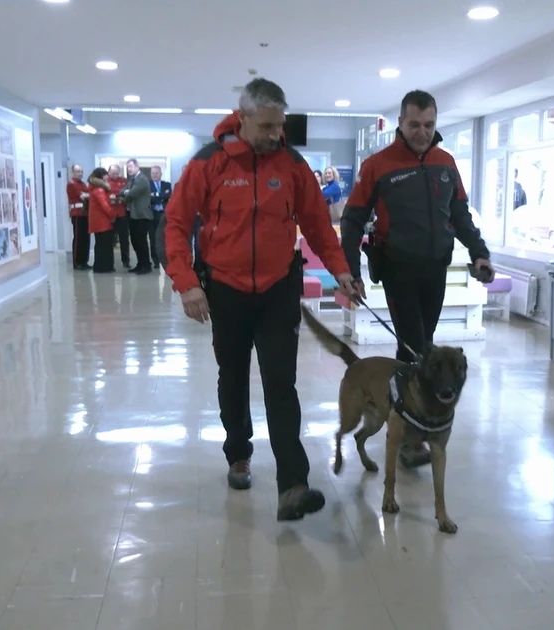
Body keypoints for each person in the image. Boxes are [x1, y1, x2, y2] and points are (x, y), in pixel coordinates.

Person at [165, 78, 357, 522]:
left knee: (280, 384)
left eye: (280, 126)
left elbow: (317, 225)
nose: (275, 135)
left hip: (278, 289)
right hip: (225, 290)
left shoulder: (290, 164)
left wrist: (341, 269)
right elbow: (176, 223)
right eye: (267, 126)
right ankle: (238, 453)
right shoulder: (209, 162)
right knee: (232, 379)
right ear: (243, 116)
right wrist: (187, 282)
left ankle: (293, 484)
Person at [340, 89, 494, 469]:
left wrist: (480, 252)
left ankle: (411, 421)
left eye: (428, 125)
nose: (422, 132)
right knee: (413, 347)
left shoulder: (445, 163)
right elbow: (353, 219)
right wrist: (350, 271)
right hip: (398, 267)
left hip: (435, 267)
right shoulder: (379, 165)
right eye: (414, 125)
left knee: (422, 347)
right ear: (401, 124)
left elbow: (460, 215)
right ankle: (410, 438)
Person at [120, 158, 153, 275]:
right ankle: (140, 264)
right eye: (128, 167)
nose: (129, 169)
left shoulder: (142, 180)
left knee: (141, 241)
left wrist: (126, 192)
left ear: (137, 167)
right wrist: (126, 192)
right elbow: (122, 191)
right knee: (135, 241)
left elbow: (131, 193)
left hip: (141, 215)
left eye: (131, 166)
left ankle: (146, 265)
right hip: (133, 215)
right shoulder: (132, 180)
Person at [87, 167, 116, 273]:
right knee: (105, 245)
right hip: (103, 222)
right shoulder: (99, 190)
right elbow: (105, 206)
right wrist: (113, 215)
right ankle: (105, 267)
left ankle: (100, 266)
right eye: (105, 175)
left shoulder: (95, 189)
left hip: (97, 222)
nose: (107, 177)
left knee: (100, 244)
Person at [66, 164, 91, 270]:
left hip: (85, 213)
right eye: (78, 171)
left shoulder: (83, 184)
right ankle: (77, 262)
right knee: (78, 239)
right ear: (73, 172)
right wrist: (90, 195)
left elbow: (88, 194)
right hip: (77, 213)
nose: (80, 173)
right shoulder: (71, 184)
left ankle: (84, 261)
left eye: (81, 171)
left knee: (86, 238)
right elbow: (83, 196)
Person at [149, 165, 172, 270]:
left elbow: (167, 196)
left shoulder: (167, 184)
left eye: (156, 173)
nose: (155, 175)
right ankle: (156, 261)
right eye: (153, 173)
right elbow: (150, 199)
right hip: (152, 214)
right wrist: (160, 196)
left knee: (165, 237)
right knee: (153, 238)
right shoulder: (147, 185)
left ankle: (167, 259)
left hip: (164, 214)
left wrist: (155, 195)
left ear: (160, 174)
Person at [107, 164, 130, 268]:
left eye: (117, 173)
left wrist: (116, 195)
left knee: (124, 239)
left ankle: (126, 261)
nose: (115, 175)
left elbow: (126, 193)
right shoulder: (105, 182)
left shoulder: (124, 181)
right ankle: (110, 262)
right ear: (109, 173)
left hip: (122, 214)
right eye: (113, 173)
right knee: (110, 240)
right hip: (109, 214)